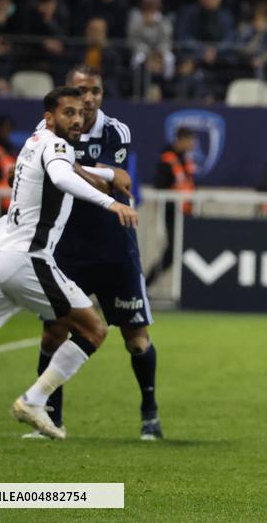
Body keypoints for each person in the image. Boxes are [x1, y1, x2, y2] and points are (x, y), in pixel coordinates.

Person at [0, 87, 138, 440]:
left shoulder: (36, 139)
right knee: (93, 330)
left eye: (79, 113)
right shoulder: (56, 145)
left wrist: (105, 175)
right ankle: (34, 399)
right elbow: (61, 176)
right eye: (68, 113)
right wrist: (111, 204)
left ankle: (36, 400)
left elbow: (62, 166)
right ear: (50, 117)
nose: (77, 119)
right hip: (26, 258)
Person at [29, 66, 163, 441]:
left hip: (114, 247)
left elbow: (118, 175)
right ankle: (49, 417)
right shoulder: (47, 129)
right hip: (66, 250)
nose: (88, 99)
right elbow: (106, 177)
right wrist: (94, 172)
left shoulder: (114, 129)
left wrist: (70, 168)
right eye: (81, 91)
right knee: (53, 333)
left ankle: (149, 412)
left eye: (95, 92)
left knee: (135, 339)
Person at [146, 127, 197, 286]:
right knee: (173, 251)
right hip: (172, 213)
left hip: (185, 213)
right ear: (181, 140)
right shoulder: (168, 159)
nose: (192, 144)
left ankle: (147, 283)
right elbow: (159, 186)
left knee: (180, 250)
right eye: (190, 141)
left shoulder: (183, 159)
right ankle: (145, 283)